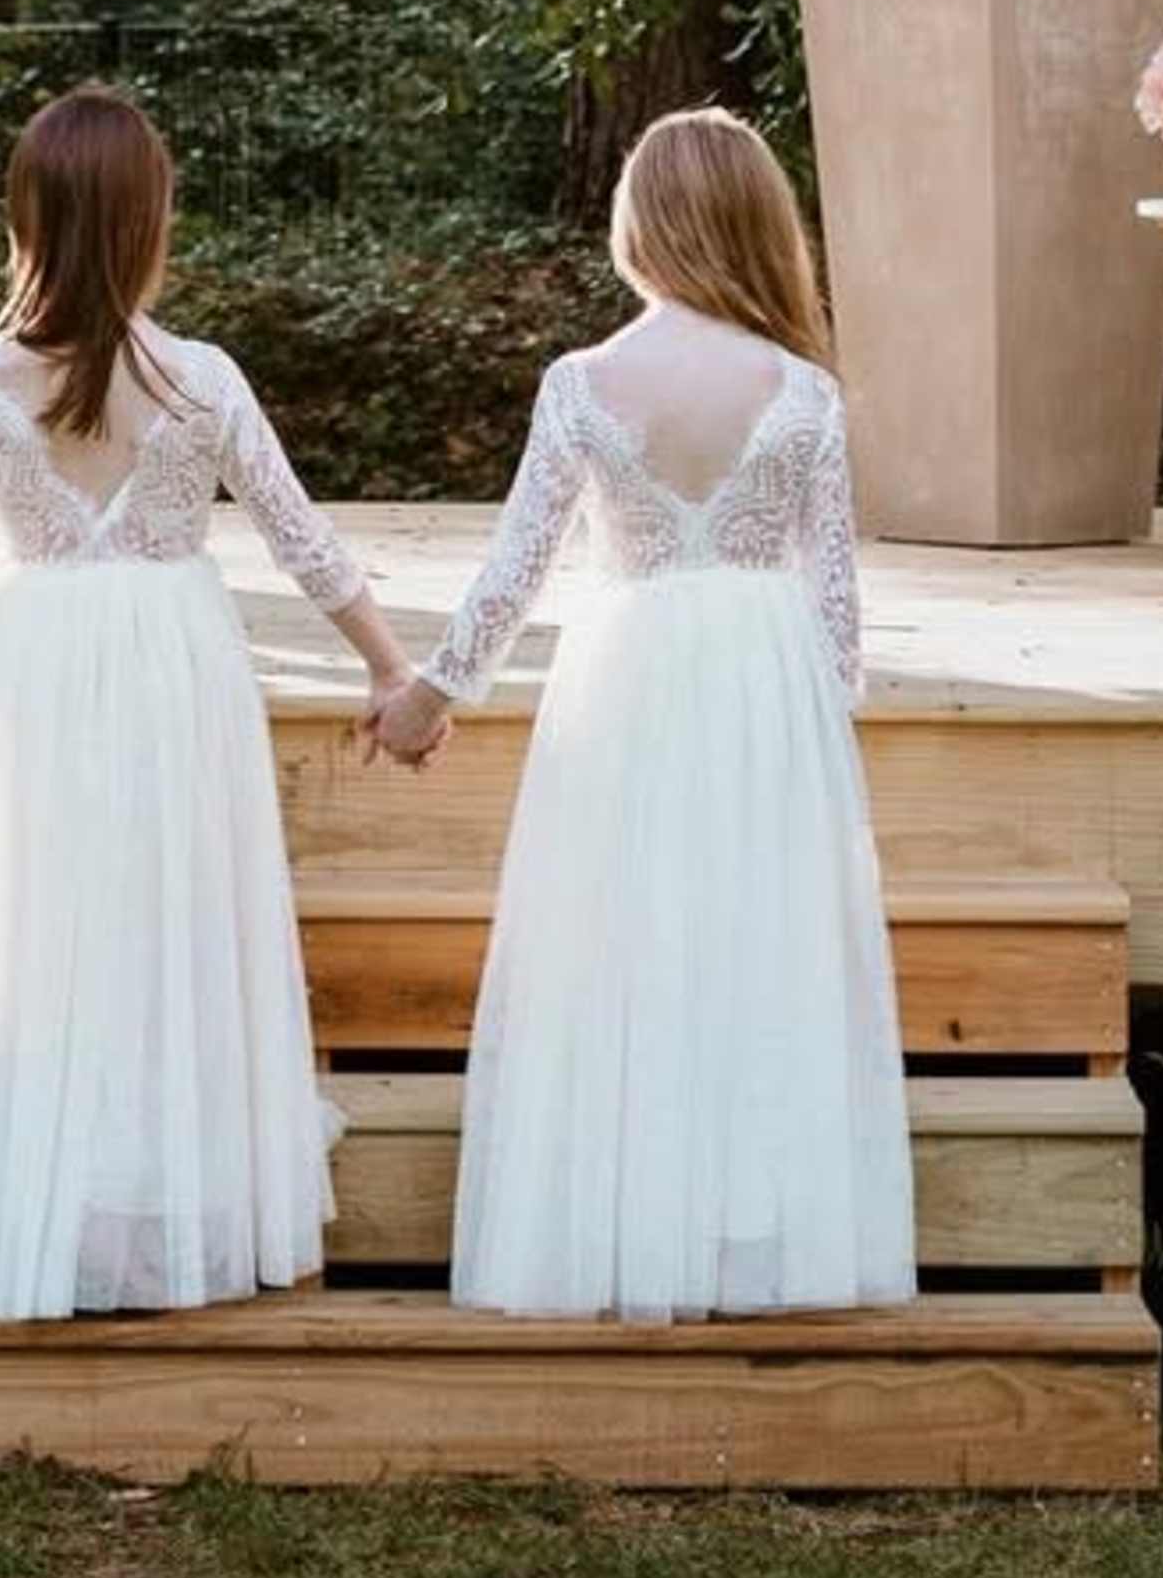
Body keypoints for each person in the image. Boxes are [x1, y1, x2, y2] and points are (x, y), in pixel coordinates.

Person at [372, 104, 913, 1319]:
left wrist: (430, 695)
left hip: (625, 677)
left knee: (618, 941)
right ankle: (751, 1232)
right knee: (753, 951)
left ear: (640, 224)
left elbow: (513, 574)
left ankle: (620, 1224)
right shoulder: (806, 394)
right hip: (764, 684)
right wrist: (821, 750)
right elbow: (836, 617)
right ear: (759, 226)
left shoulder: (585, 384)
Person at [0, 84, 432, 1319]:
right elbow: (305, 545)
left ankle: (67, 1190)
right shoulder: (202, 378)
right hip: (174, 662)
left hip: (31, 664)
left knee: (58, 923)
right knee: (173, 912)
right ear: (150, 223)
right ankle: (176, 1183)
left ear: (27, 217)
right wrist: (390, 667)